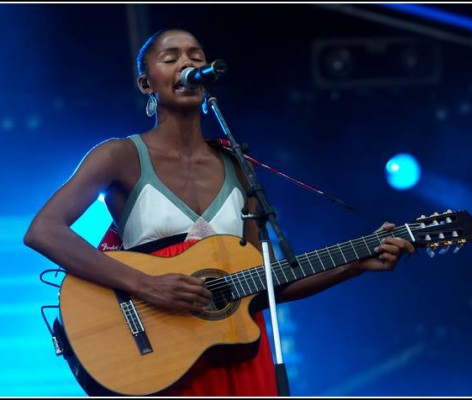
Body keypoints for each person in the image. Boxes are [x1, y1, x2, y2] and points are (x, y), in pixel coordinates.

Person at [23, 28, 415, 396]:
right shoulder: (120, 156)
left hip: (239, 351)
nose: (187, 64)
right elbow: (44, 230)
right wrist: (146, 285)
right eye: (171, 57)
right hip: (167, 354)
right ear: (147, 83)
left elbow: (268, 282)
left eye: (196, 56)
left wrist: (356, 263)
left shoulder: (239, 166)